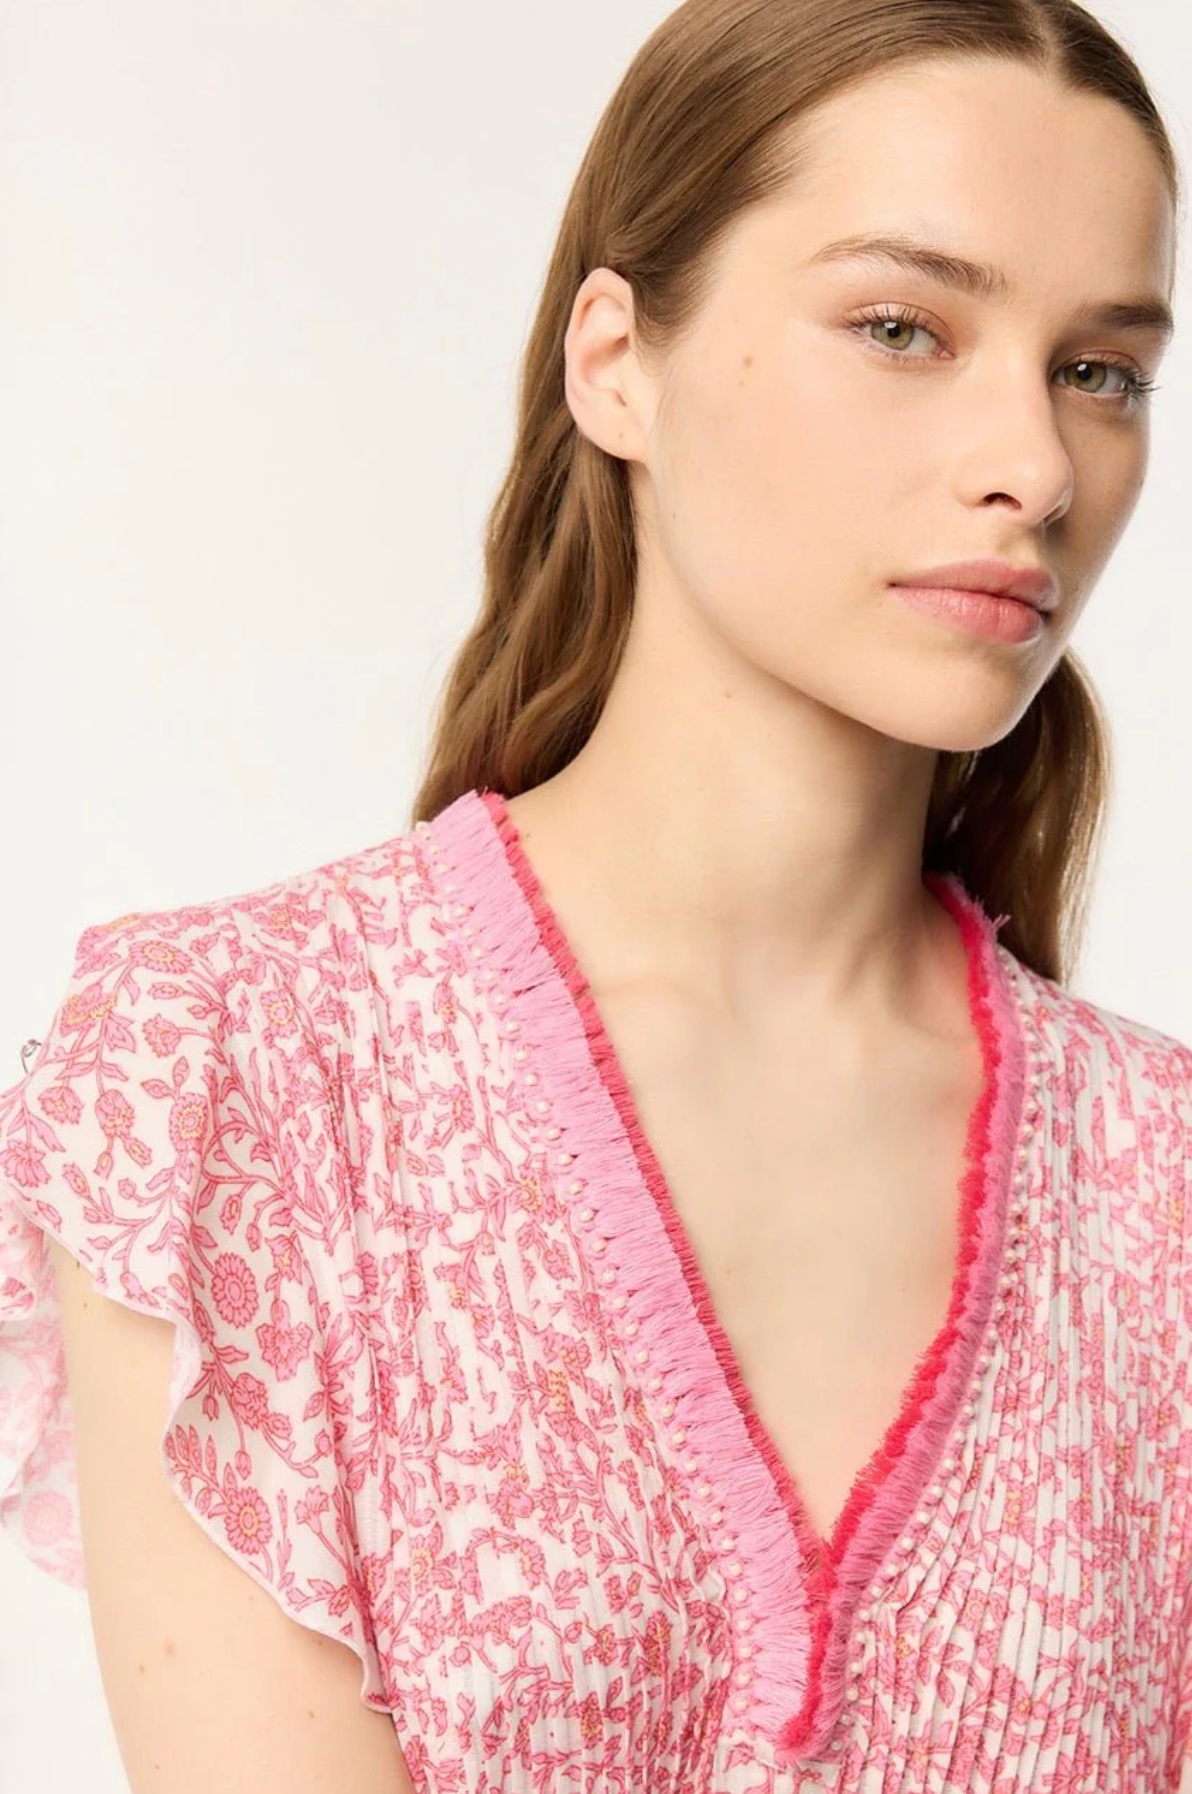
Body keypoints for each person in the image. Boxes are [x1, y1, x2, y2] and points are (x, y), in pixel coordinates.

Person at [0, 0, 1187, 1789]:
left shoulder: (1162, 1194)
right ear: (617, 360)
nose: (1033, 462)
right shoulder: (238, 1075)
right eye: (902, 328)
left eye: (1101, 369)